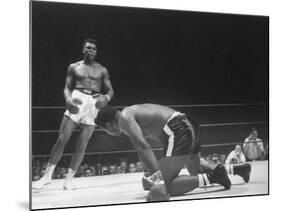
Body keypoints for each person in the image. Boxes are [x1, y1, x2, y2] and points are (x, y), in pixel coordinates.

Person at [94, 104, 251, 201]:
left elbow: (143, 146)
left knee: (167, 187)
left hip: (178, 129)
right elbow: (156, 146)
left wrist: (158, 177)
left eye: (104, 131)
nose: (107, 134)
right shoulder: (133, 112)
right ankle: (238, 169)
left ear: (108, 125)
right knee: (194, 172)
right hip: (188, 123)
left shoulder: (124, 119)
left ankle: (214, 176)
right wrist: (155, 169)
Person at [32, 38, 114, 190]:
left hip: (92, 104)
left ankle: (68, 180)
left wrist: (106, 98)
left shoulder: (102, 69)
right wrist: (68, 99)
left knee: (82, 145)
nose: (91, 51)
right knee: (61, 139)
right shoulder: (74, 67)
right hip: (77, 99)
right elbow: (66, 87)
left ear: (96, 52)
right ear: (83, 50)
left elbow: (110, 90)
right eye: (88, 48)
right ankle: (47, 176)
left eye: (93, 49)